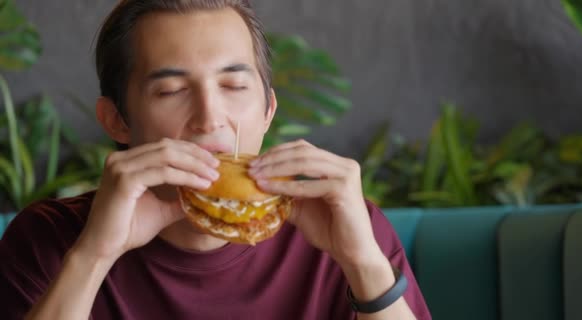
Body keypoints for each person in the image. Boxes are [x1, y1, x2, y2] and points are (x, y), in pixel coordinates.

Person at [0, 1, 431, 319]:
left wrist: (362, 263)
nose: (209, 119)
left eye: (235, 85)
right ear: (116, 120)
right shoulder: (49, 239)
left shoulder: (346, 227)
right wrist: (93, 255)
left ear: (268, 112)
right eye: (171, 91)